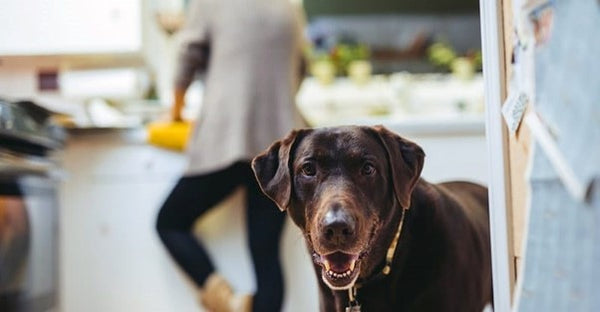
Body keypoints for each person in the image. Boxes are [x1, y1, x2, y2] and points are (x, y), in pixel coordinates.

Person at [155, 0, 306, 311]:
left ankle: (227, 301)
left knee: (169, 221)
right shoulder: (290, 7)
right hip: (280, 147)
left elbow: (187, 56)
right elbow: (301, 68)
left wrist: (175, 111)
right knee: (265, 253)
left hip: (229, 136)